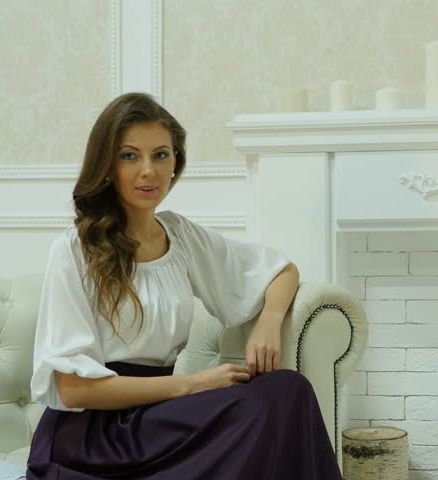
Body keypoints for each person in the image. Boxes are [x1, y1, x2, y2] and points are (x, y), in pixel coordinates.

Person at [25, 92, 342, 479]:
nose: (149, 171)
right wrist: (192, 384)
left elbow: (282, 271)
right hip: (95, 435)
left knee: (287, 389)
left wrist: (269, 322)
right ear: (107, 164)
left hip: (161, 417)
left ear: (176, 162)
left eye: (160, 155)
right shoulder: (74, 249)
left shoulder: (180, 235)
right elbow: (73, 389)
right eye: (130, 156)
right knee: (264, 405)